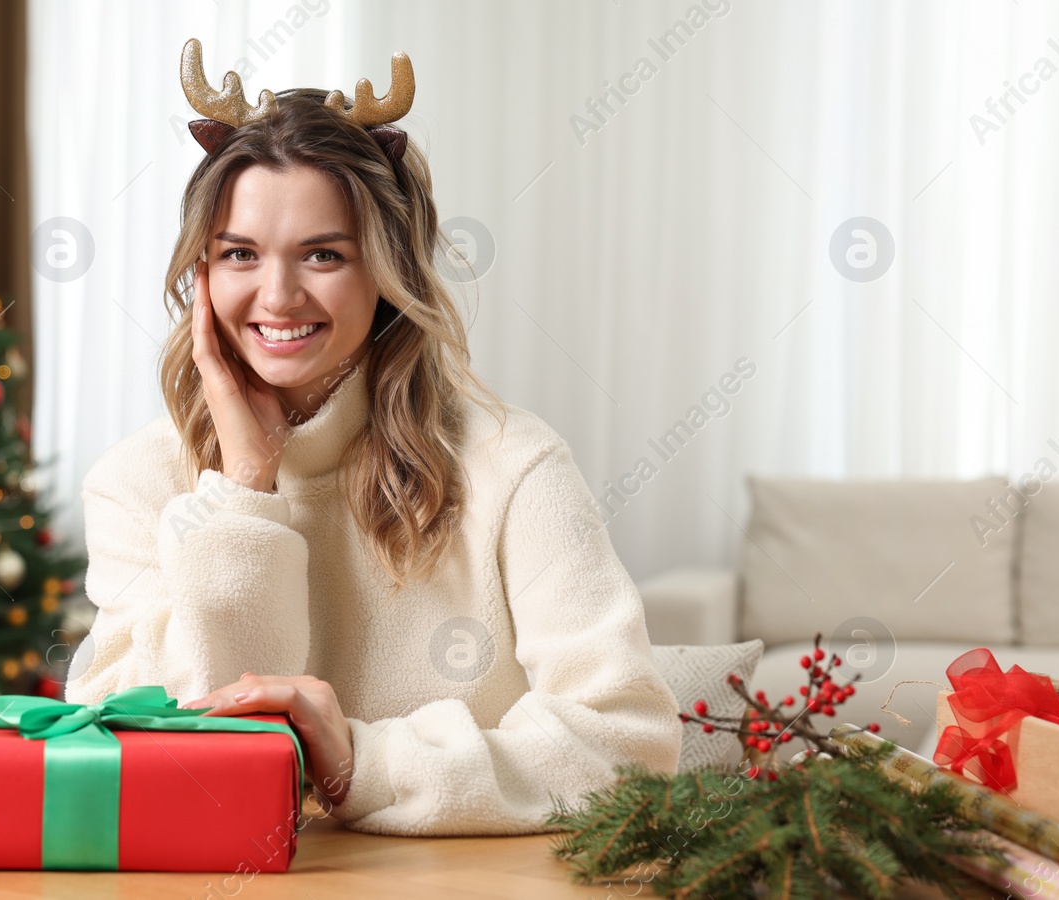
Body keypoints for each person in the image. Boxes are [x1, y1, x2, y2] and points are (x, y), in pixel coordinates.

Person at [63, 39, 681, 836]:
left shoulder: (513, 466)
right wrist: (247, 489)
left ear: (388, 274)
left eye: (324, 254)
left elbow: (631, 746)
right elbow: (170, 764)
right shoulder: (136, 484)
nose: (277, 296)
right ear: (201, 276)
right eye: (240, 254)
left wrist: (363, 760)